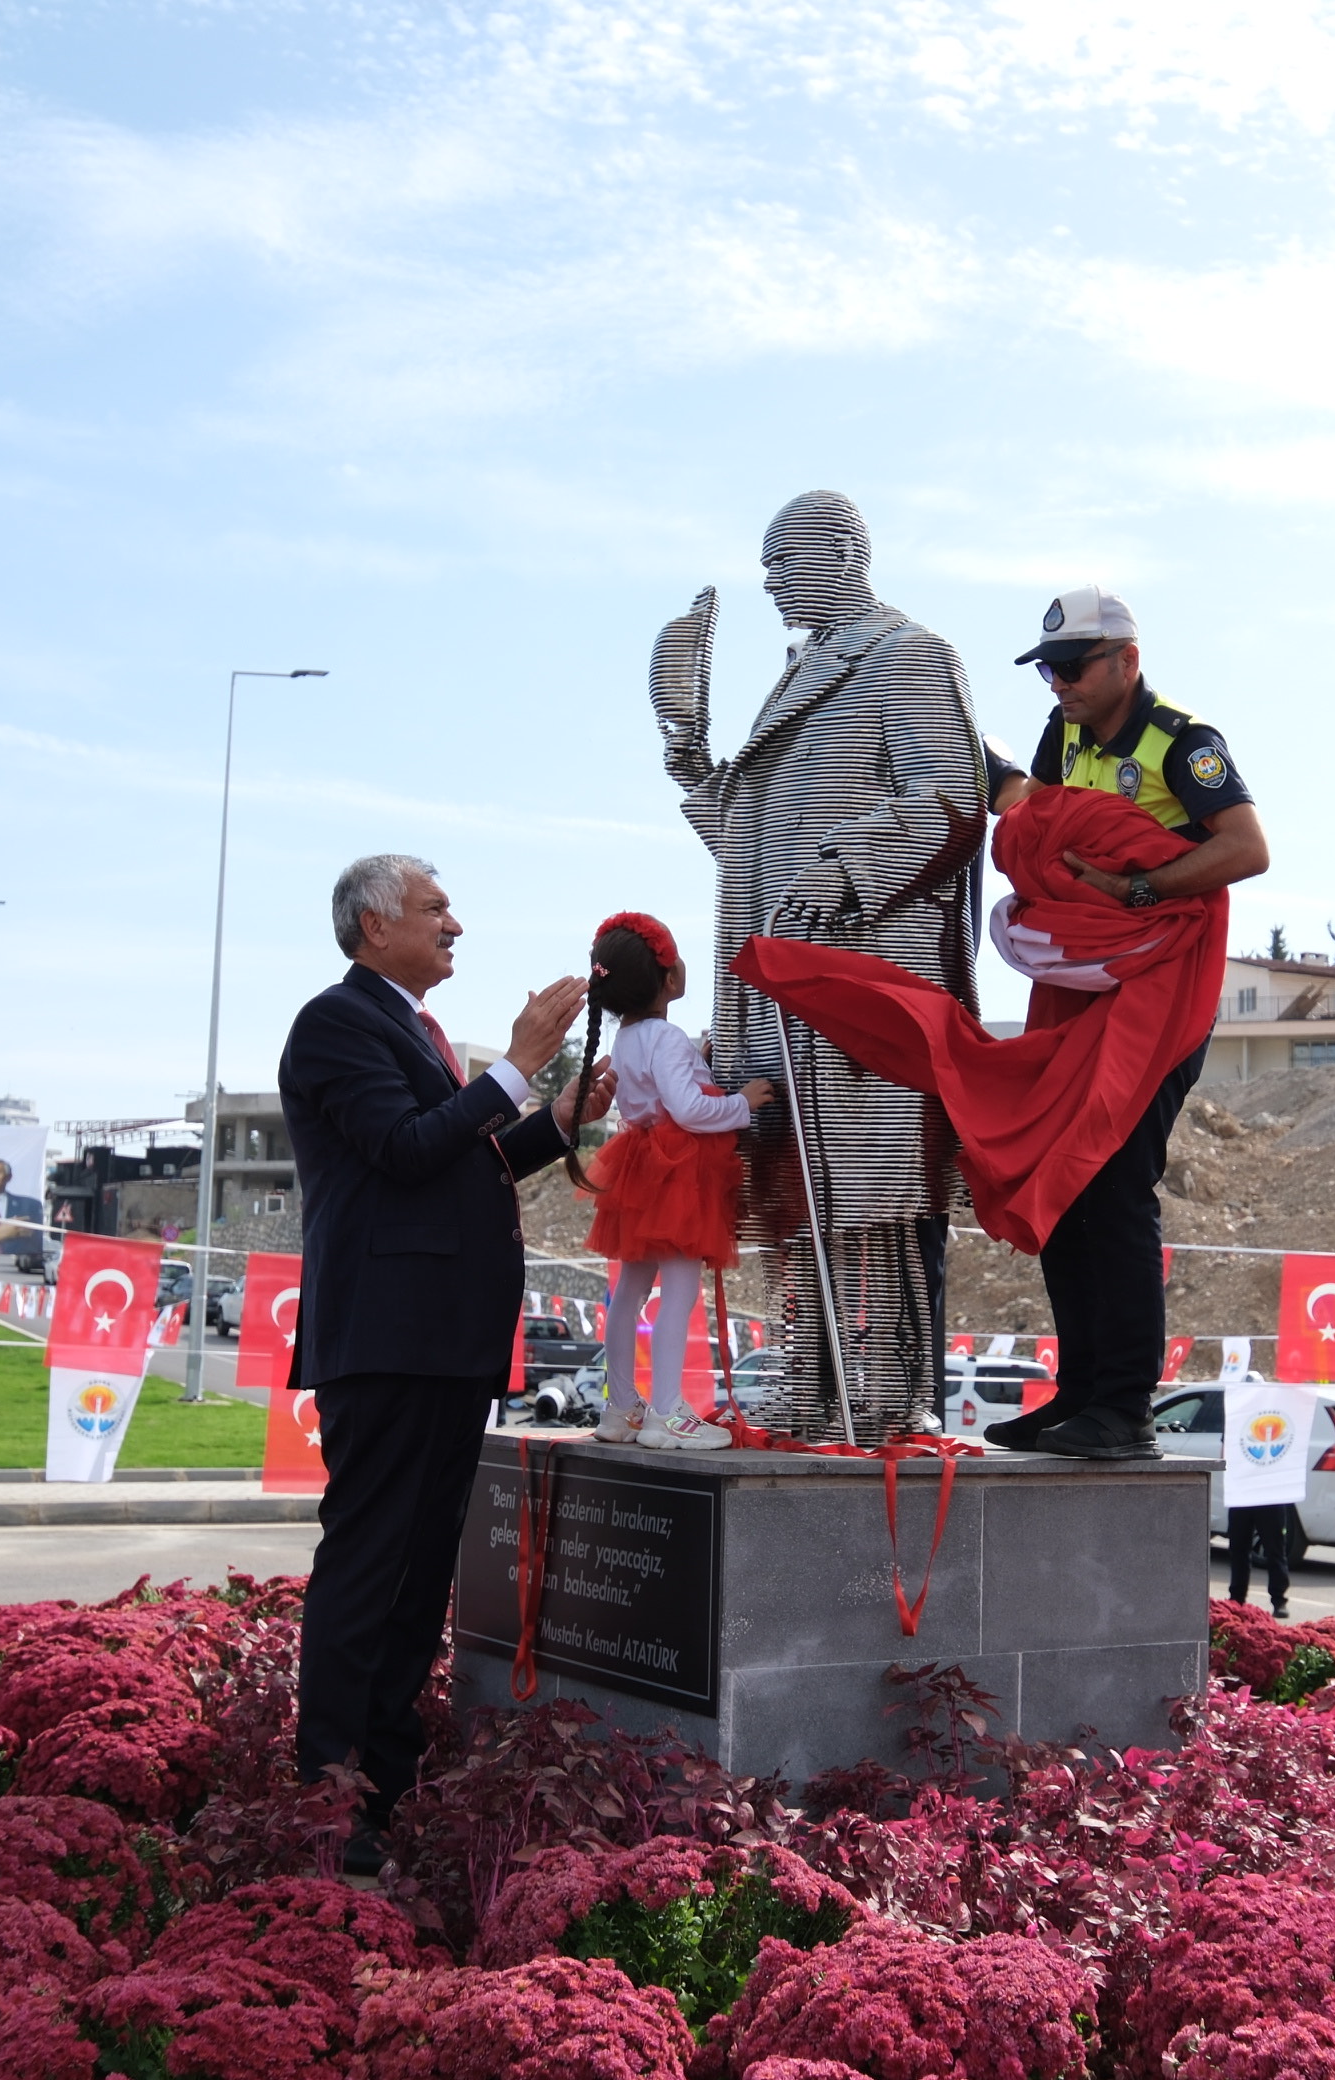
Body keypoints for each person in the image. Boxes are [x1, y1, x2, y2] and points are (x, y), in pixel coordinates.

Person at [277, 853, 612, 1865]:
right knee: (371, 1562)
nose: (455, 923)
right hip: (387, 1338)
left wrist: (550, 1121)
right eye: (435, 908)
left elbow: (468, 1157)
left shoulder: (414, 1030)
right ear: (375, 928)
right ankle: (329, 1797)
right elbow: (405, 1149)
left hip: (448, 1341)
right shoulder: (337, 1023)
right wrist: (514, 1066)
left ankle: (384, 1789)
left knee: (422, 1576)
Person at [650, 491, 988, 1445]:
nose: (774, 587)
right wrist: (687, 753)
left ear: (843, 553)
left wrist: (841, 873)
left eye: (786, 565)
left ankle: (881, 1404)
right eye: (766, 570)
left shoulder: (908, 657)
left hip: (863, 995)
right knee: (797, 1204)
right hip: (779, 994)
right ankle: (812, 1388)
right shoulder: (803, 681)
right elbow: (749, 853)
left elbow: (951, 802)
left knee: (869, 1207)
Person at [983, 586, 1269, 1460]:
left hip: (1162, 990)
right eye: (1048, 671)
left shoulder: (1185, 743)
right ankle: (1079, 1397)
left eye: (1071, 668)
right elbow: (1036, 812)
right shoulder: (1063, 735)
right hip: (1085, 979)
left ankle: (1127, 1409)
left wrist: (1141, 887)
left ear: (1126, 662)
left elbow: (1248, 848)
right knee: (1063, 1180)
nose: (1058, 685)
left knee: (1114, 1184)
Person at [564, 911, 767, 1451]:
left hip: (638, 1169)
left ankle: (622, 1407)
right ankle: (669, 1411)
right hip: (679, 1172)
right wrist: (741, 1104)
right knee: (679, 1289)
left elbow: (662, 1090)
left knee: (630, 1290)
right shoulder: (668, 1037)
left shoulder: (630, 1038)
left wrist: (694, 1066)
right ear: (671, 978)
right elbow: (688, 1108)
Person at [1228, 1500, 1298, 1619]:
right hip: (1241, 1496)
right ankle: (1236, 1599)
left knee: (1276, 1551)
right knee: (1238, 1549)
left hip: (1270, 1497)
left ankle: (1279, 1600)